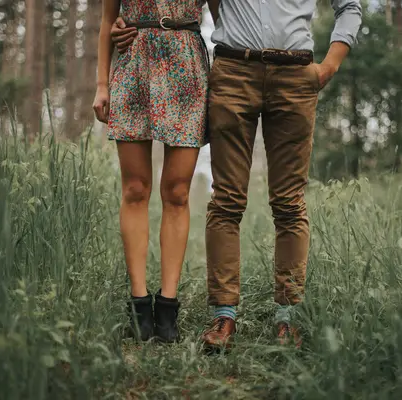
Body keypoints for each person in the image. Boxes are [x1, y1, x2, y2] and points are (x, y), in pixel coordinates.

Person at [113, 0, 362, 350]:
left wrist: (330, 65)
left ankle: (287, 318)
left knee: (289, 203)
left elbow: (349, 6)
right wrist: (129, 23)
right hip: (233, 71)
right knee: (227, 200)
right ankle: (224, 316)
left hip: (295, 75)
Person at [92, 0, 210, 343]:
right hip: (133, 65)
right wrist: (102, 84)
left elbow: (224, 17)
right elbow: (107, 20)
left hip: (187, 67)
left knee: (177, 191)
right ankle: (139, 305)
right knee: (135, 189)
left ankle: (168, 306)